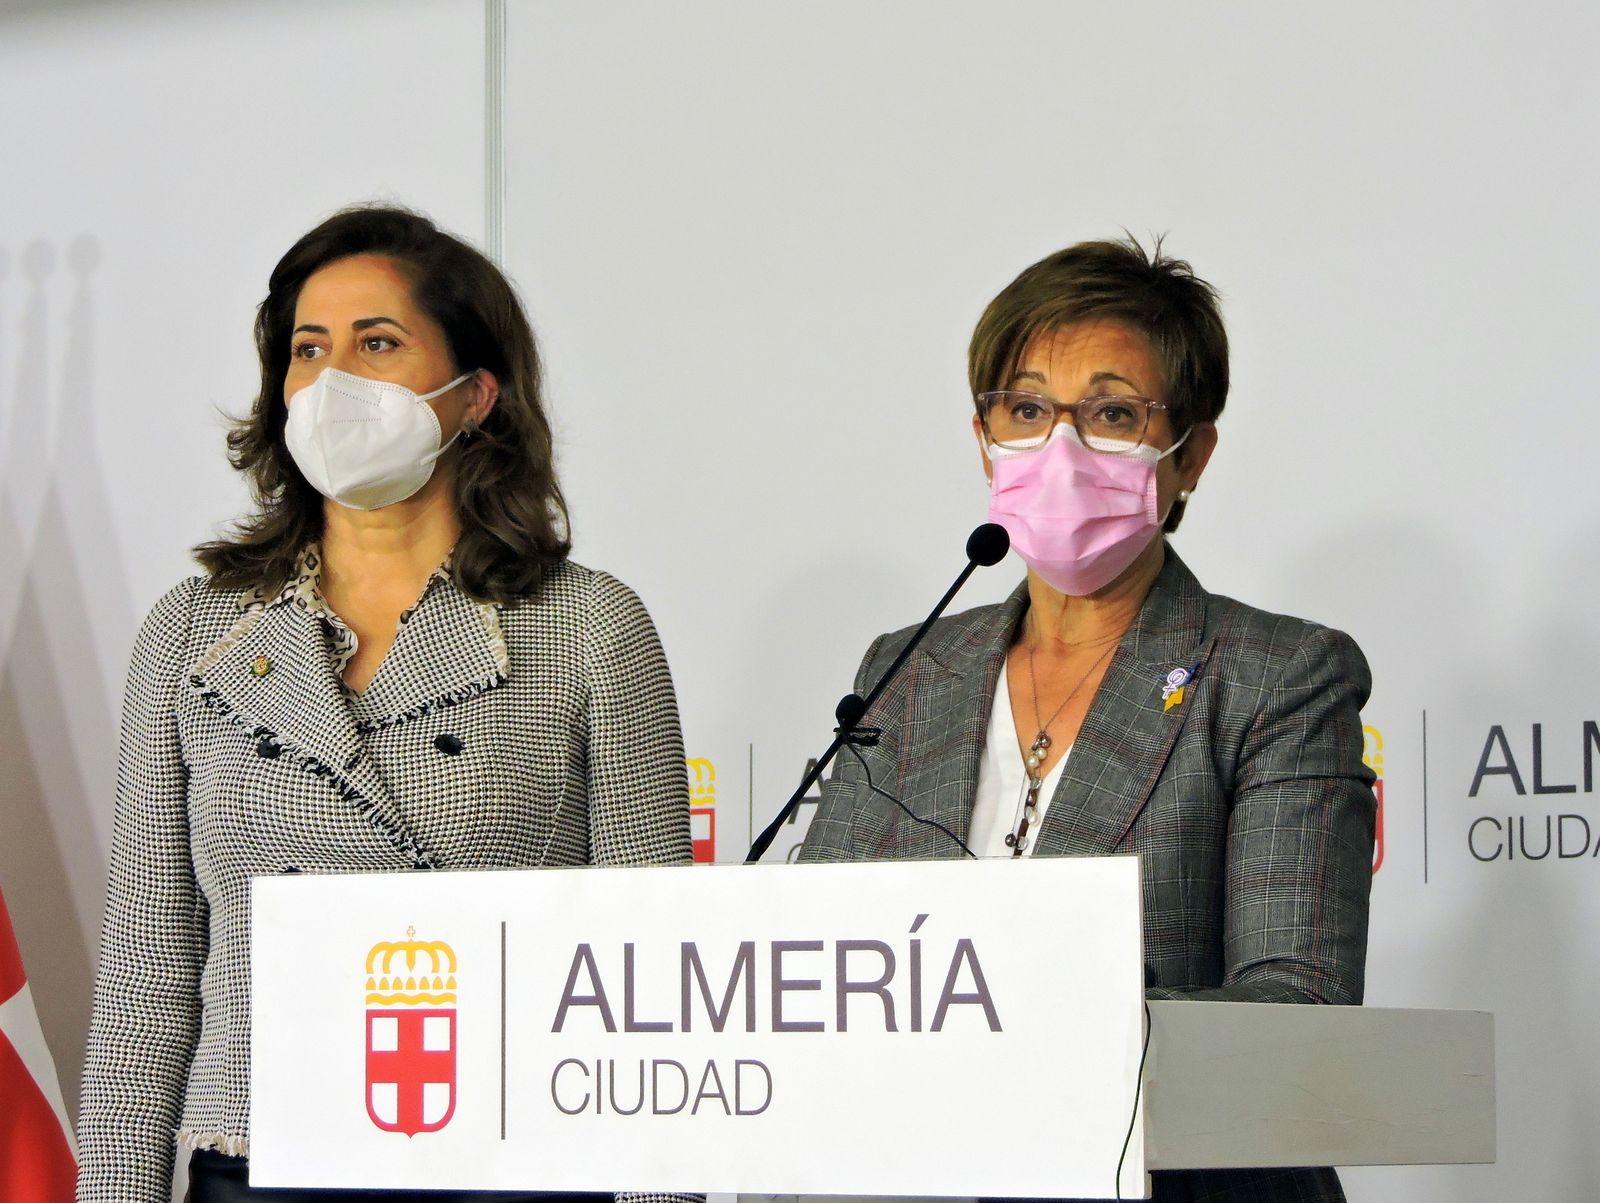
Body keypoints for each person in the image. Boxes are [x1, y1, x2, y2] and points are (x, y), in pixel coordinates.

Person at [76, 206, 694, 1202]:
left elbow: (654, 970)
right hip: (255, 1154)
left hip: (512, 1153)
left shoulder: (588, 627)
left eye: (378, 343)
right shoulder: (194, 633)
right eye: (307, 350)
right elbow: (145, 979)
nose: (335, 382)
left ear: (477, 393)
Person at [799, 238, 1377, 1202]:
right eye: (1026, 409)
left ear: (1187, 455)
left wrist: (1015, 1038)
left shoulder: (1280, 676)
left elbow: (1295, 1014)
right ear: (985, 437)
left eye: (1112, 413)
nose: (1060, 447)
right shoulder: (909, 668)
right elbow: (813, 956)